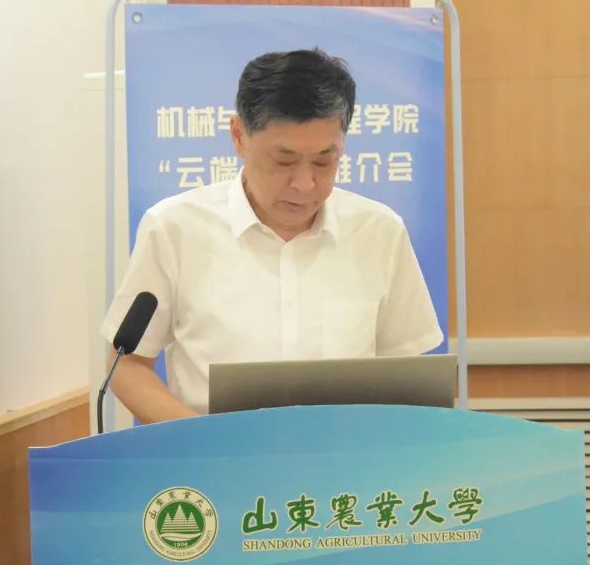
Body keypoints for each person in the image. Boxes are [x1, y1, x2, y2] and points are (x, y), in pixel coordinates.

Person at [100, 48, 442, 423]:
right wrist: (202, 441)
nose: (305, 183)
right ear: (238, 136)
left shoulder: (379, 232)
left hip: (345, 455)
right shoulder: (174, 228)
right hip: (214, 457)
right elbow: (127, 365)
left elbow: (407, 373)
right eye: (284, 160)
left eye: (324, 160)